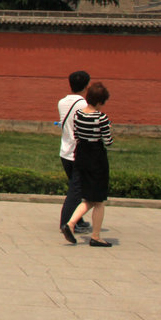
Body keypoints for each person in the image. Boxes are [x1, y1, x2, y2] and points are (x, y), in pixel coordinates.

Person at [61, 82, 114, 247]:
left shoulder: (78, 114)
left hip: (81, 155)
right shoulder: (101, 118)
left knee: (88, 197)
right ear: (100, 102)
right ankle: (96, 236)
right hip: (96, 158)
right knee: (98, 200)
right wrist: (108, 129)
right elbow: (108, 141)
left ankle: (70, 224)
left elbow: (77, 134)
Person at [57, 71, 92, 234]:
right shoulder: (84, 105)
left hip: (65, 151)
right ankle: (66, 223)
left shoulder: (62, 102)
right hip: (78, 153)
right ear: (86, 86)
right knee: (76, 191)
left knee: (76, 186)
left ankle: (78, 219)